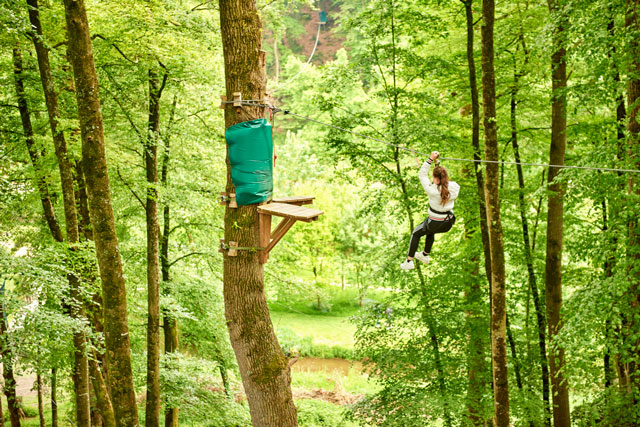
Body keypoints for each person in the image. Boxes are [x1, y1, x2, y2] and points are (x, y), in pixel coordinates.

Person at [401, 151, 460, 271]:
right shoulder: (454, 187)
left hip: (435, 222)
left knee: (416, 233)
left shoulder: (432, 190)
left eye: (434, 177)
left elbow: (422, 175)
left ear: (436, 179)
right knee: (429, 231)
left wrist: (429, 159)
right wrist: (436, 163)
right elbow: (443, 181)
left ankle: (409, 261)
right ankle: (424, 255)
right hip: (448, 223)